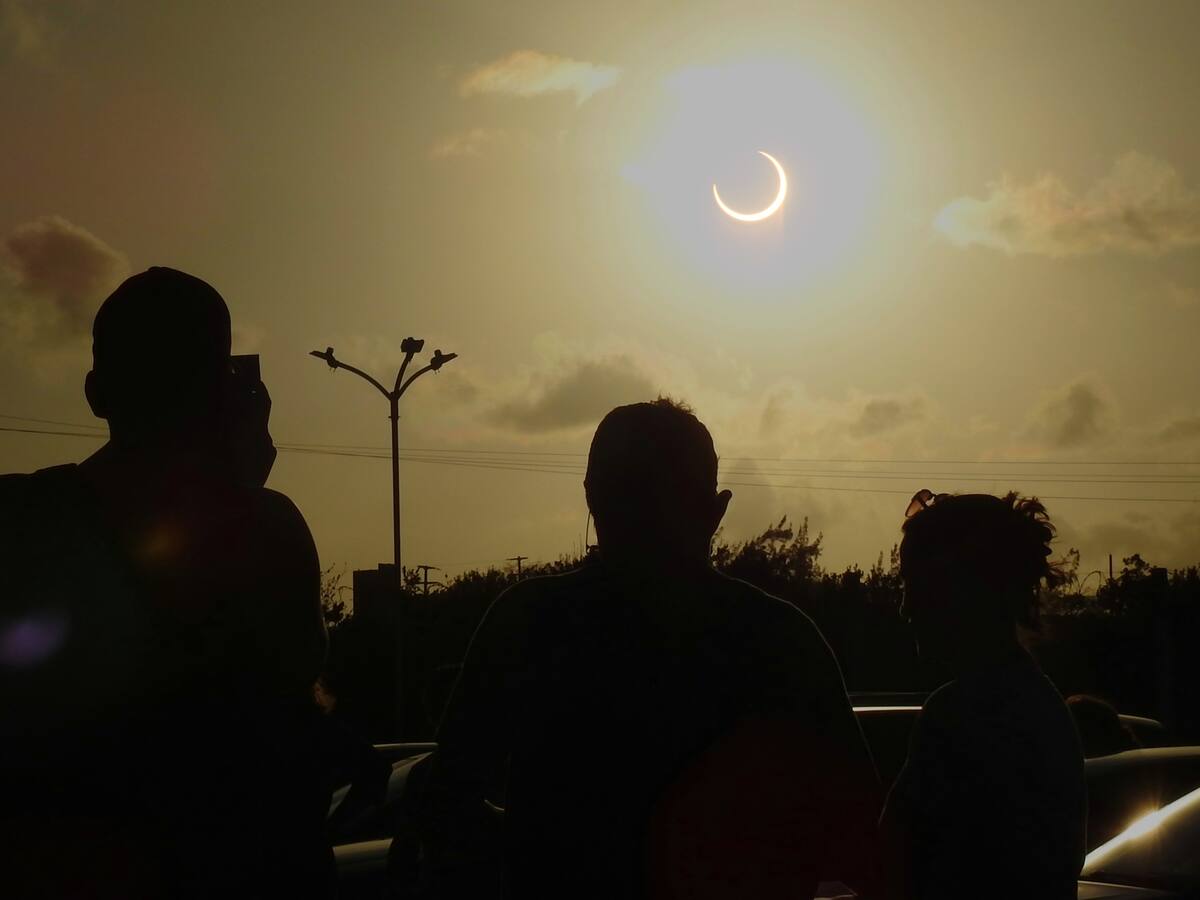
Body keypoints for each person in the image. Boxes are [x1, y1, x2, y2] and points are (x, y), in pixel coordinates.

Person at [417, 398, 882, 900]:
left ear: (592, 498)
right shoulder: (781, 640)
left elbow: (447, 801)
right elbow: (863, 840)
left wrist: (548, 842)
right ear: (715, 510)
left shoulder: (528, 622)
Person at [0, 268, 333, 898]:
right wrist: (240, 490)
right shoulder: (268, 526)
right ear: (226, 394)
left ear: (96, 393)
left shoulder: (20, 519)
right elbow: (289, 684)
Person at [880, 490, 1087, 900]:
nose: (906, 608)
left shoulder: (959, 716)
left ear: (956, 590)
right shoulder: (1040, 704)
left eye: (913, 585)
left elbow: (892, 862)